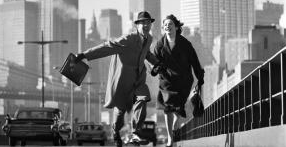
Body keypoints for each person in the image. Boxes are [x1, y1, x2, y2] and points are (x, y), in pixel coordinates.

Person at [72, 11, 163, 147]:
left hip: (139, 79)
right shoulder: (128, 39)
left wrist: (156, 63)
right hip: (123, 80)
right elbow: (107, 47)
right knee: (120, 111)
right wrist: (84, 55)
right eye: (143, 23)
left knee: (143, 98)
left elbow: (147, 53)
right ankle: (115, 131)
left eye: (148, 23)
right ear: (137, 25)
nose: (146, 25)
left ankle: (135, 133)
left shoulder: (149, 38)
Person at [153, 14, 205, 147]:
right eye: (165, 25)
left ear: (176, 27)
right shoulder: (159, 45)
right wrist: (154, 69)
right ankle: (170, 138)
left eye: (170, 24)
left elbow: (194, 60)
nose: (167, 26)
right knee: (167, 108)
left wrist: (200, 76)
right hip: (166, 81)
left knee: (179, 110)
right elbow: (153, 60)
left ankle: (175, 125)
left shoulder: (185, 44)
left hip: (183, 81)